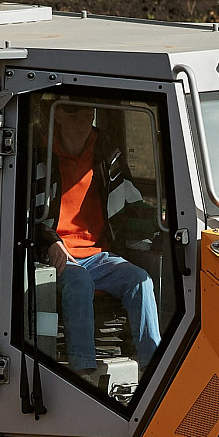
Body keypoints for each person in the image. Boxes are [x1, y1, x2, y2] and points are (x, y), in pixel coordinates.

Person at [33, 100, 160, 381]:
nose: (81, 118)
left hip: (98, 256)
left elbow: (131, 201)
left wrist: (158, 222)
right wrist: (49, 240)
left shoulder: (106, 155)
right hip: (56, 255)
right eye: (72, 111)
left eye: (86, 111)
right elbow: (24, 215)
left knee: (141, 281)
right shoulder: (39, 156)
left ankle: (156, 369)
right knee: (79, 282)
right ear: (58, 116)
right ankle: (84, 373)